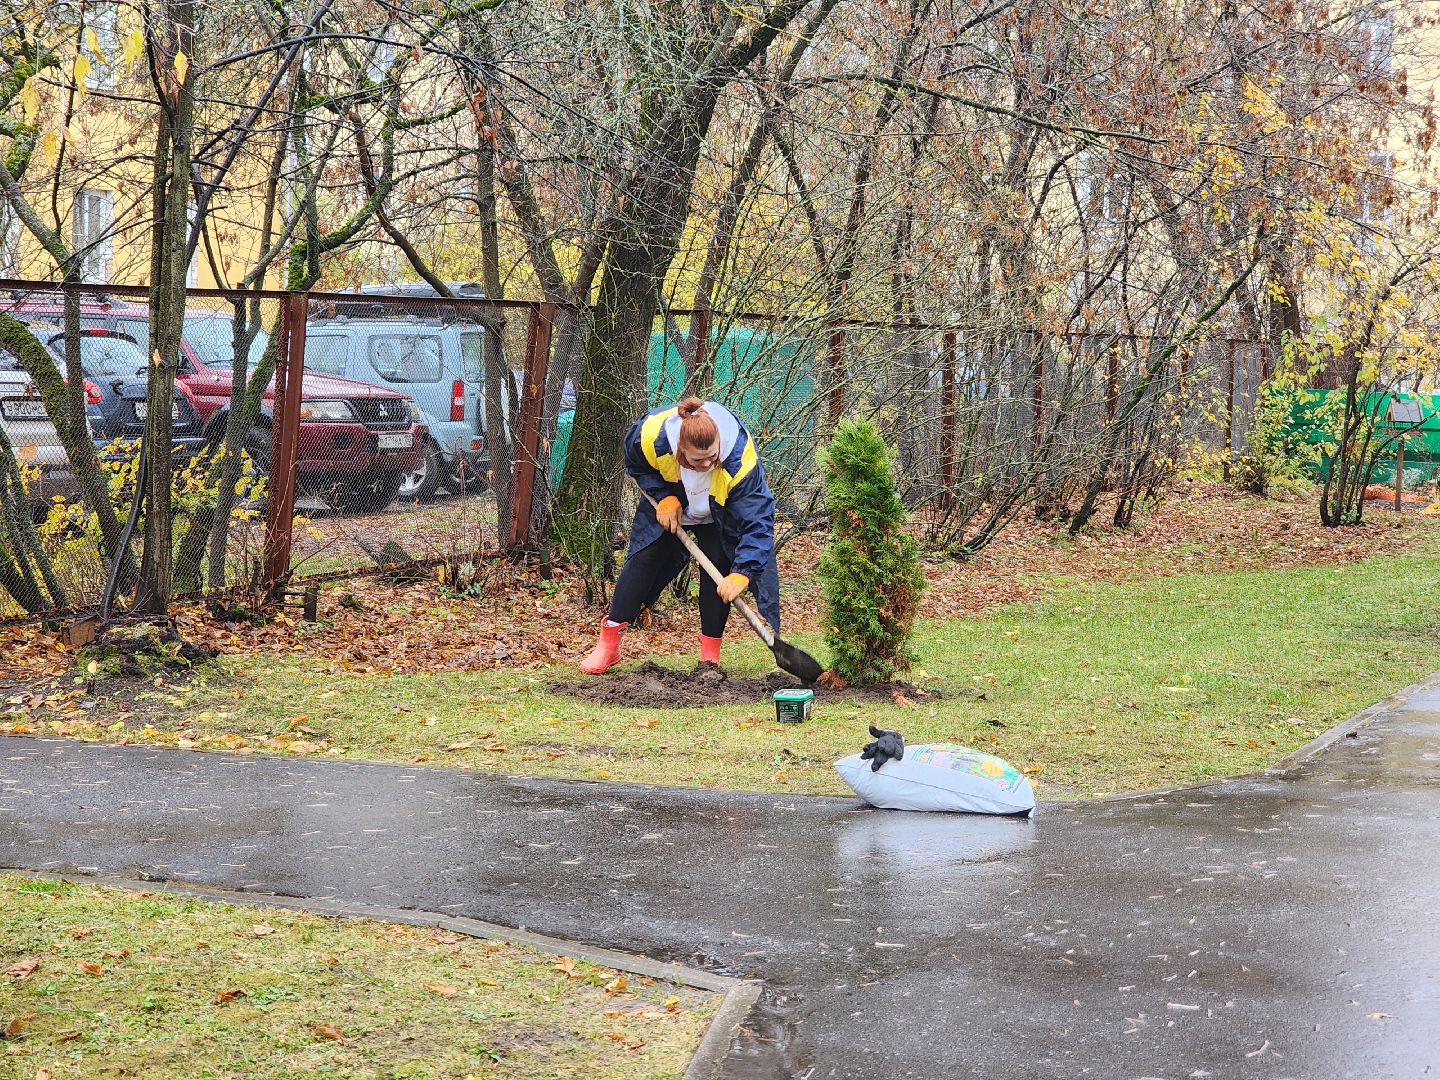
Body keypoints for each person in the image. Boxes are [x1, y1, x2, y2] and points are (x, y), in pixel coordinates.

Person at [579, 396, 781, 674]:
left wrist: (743, 572)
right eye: (698, 460)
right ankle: (608, 645)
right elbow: (635, 463)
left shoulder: (739, 458)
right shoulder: (652, 437)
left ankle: (710, 656)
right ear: (680, 450)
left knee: (718, 571)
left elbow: (758, 519)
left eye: (713, 455)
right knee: (643, 560)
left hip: (719, 511)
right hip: (672, 504)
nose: (708, 463)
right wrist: (662, 496)